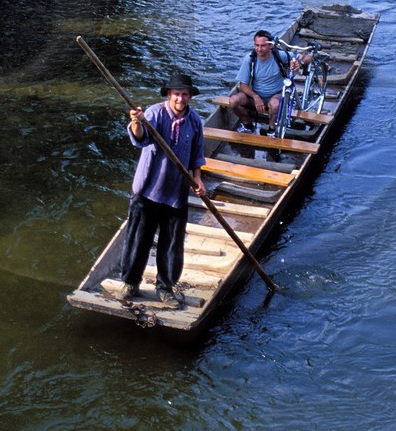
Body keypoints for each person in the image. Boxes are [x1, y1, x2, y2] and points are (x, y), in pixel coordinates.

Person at [99, 71, 207, 307]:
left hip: (176, 193)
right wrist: (137, 121)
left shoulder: (195, 121)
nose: (180, 99)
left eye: (185, 94)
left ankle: (166, 287)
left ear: (190, 97)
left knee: (171, 245)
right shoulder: (154, 114)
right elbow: (140, 138)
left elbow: (197, 155)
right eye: (177, 94)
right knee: (138, 239)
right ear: (169, 94)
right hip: (148, 190)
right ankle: (130, 283)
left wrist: (197, 179)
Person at [226, 29, 306, 132]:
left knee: (275, 105)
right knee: (233, 101)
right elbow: (243, 85)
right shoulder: (250, 59)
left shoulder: (280, 55)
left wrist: (300, 62)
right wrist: (255, 97)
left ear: (270, 46)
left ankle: (272, 129)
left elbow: (306, 57)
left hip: (276, 96)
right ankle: (248, 125)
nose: (259, 49)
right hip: (256, 98)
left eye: (263, 46)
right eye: (257, 45)